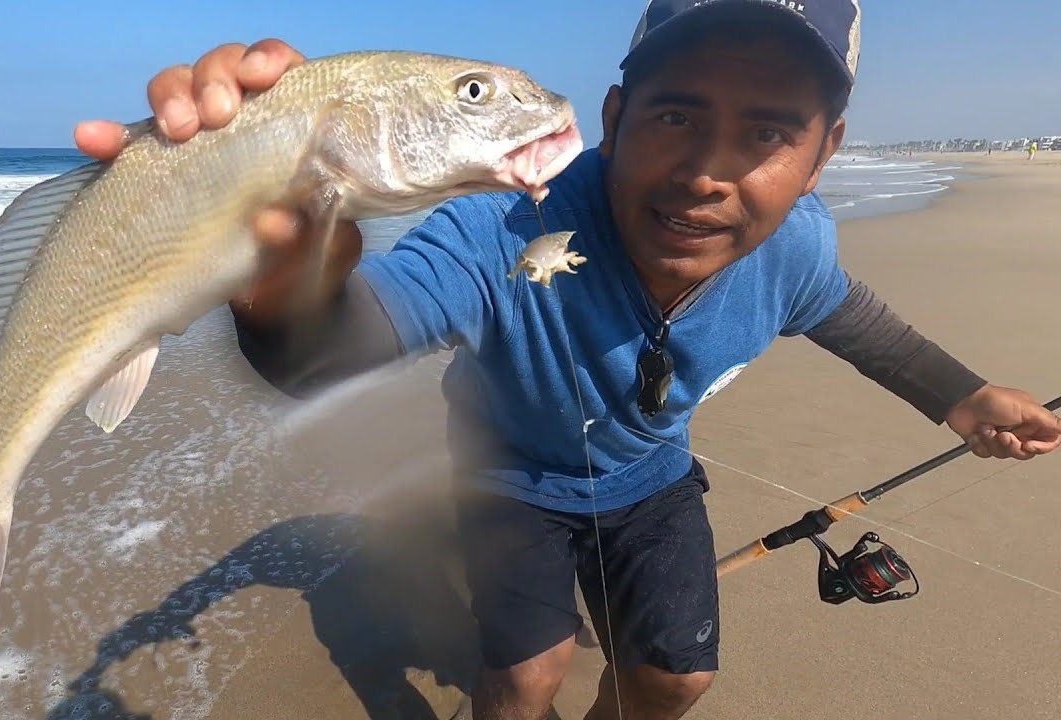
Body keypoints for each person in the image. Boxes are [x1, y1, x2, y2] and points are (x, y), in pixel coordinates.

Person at [75, 2, 1061, 718]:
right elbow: (336, 347)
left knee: (675, 679)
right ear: (616, 116)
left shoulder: (794, 248)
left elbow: (853, 318)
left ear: (820, 154)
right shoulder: (503, 224)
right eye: (675, 115)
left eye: (765, 132)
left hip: (652, 479)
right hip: (510, 480)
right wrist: (284, 285)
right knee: (521, 682)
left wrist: (962, 397)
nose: (706, 171)